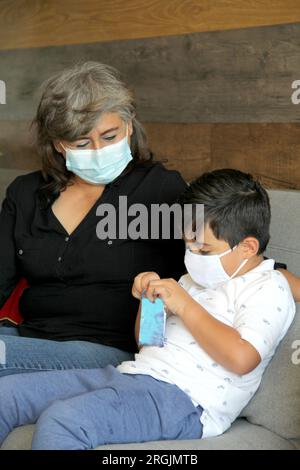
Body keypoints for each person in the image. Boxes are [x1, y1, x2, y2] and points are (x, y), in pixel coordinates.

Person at [0, 169, 295, 449]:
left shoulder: (268, 287)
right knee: (6, 396)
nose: (192, 255)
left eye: (203, 250)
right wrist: (149, 303)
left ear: (247, 248)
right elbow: (147, 342)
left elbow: (243, 358)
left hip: (186, 402)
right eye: (188, 245)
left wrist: (184, 304)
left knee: (64, 422)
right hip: (133, 375)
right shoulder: (193, 280)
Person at [0, 61, 186, 377]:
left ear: (129, 126)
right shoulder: (26, 194)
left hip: (109, 349)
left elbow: (220, 253)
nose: (98, 150)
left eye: (110, 136)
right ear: (59, 144)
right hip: (30, 338)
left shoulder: (158, 189)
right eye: (82, 144)